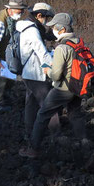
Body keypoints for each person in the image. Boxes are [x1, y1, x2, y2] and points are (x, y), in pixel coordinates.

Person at [19, 13, 87, 158]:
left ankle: (33, 149)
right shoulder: (78, 41)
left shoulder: (62, 48)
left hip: (64, 88)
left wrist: (47, 70)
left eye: (55, 27)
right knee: (75, 113)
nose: (53, 30)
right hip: (79, 85)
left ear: (61, 29)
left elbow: (56, 75)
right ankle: (84, 141)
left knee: (42, 115)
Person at [15, 3, 60, 141]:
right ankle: (56, 135)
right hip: (35, 73)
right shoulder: (32, 30)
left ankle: (29, 132)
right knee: (49, 104)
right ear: (39, 15)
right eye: (46, 18)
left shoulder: (23, 26)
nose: (47, 21)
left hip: (27, 72)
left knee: (31, 103)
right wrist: (55, 68)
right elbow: (41, 52)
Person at [0, 0, 28, 111]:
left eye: (22, 11)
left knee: (10, 76)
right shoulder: (0, 22)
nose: (21, 14)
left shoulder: (10, 17)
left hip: (5, 51)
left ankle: (5, 96)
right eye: (19, 11)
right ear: (11, 9)